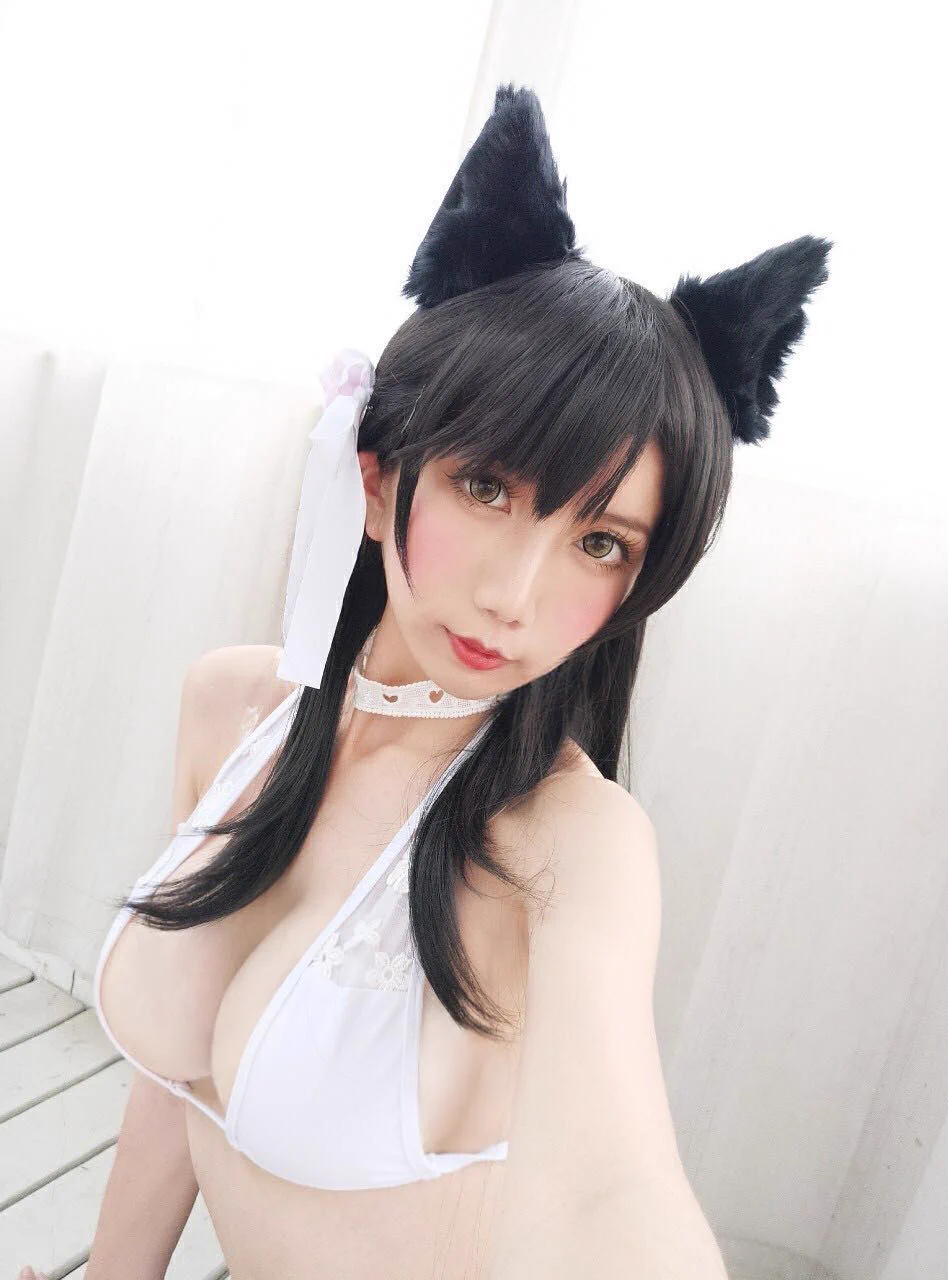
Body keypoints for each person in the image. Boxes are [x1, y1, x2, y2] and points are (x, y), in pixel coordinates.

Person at [23, 83, 830, 1280]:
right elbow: (173, 1083)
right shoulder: (231, 706)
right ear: (375, 474)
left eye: (600, 541)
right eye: (488, 486)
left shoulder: (570, 840)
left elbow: (611, 1191)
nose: (515, 592)